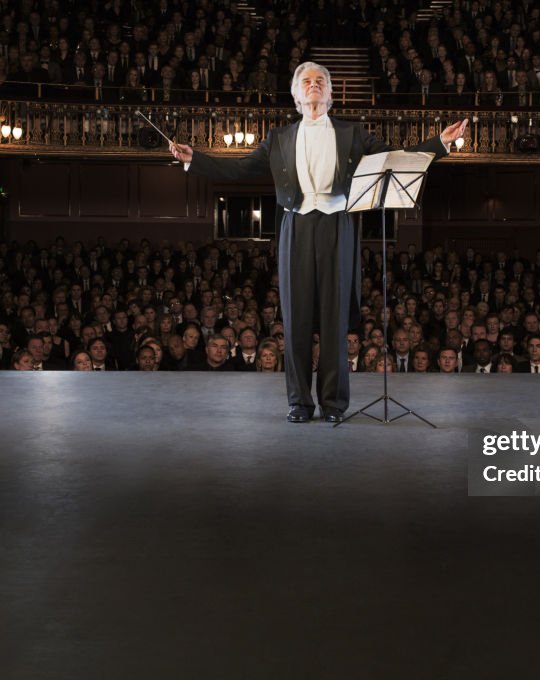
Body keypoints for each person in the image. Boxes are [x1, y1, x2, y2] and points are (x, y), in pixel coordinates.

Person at [170, 61, 466, 423]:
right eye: (306, 81)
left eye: (320, 81)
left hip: (337, 226)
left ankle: (333, 404)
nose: (313, 85)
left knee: (333, 320)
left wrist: (440, 143)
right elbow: (238, 169)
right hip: (296, 227)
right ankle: (299, 402)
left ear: (330, 93)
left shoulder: (353, 133)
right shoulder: (278, 138)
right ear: (296, 95)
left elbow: (395, 159)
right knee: (296, 320)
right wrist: (194, 160)